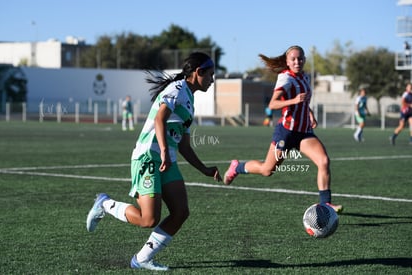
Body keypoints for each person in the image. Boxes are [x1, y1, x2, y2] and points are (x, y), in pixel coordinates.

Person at [86, 52, 222, 271]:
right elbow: (160, 118)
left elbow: (185, 145)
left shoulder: (190, 102)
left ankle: (141, 259)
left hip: (167, 160)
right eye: (210, 74)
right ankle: (105, 204)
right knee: (148, 219)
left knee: (181, 212)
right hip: (148, 157)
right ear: (198, 73)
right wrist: (166, 151)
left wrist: (204, 169)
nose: (212, 79)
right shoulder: (177, 89)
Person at [222, 45, 343, 213]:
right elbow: (273, 104)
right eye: (293, 59)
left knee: (323, 161)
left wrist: (310, 113)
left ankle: (325, 204)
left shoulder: (305, 77)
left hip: (304, 133)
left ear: (304, 60)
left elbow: (304, 101)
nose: (297, 61)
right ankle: (237, 167)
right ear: (287, 61)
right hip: (286, 132)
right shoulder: (285, 78)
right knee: (267, 170)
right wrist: (293, 100)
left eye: (300, 58)